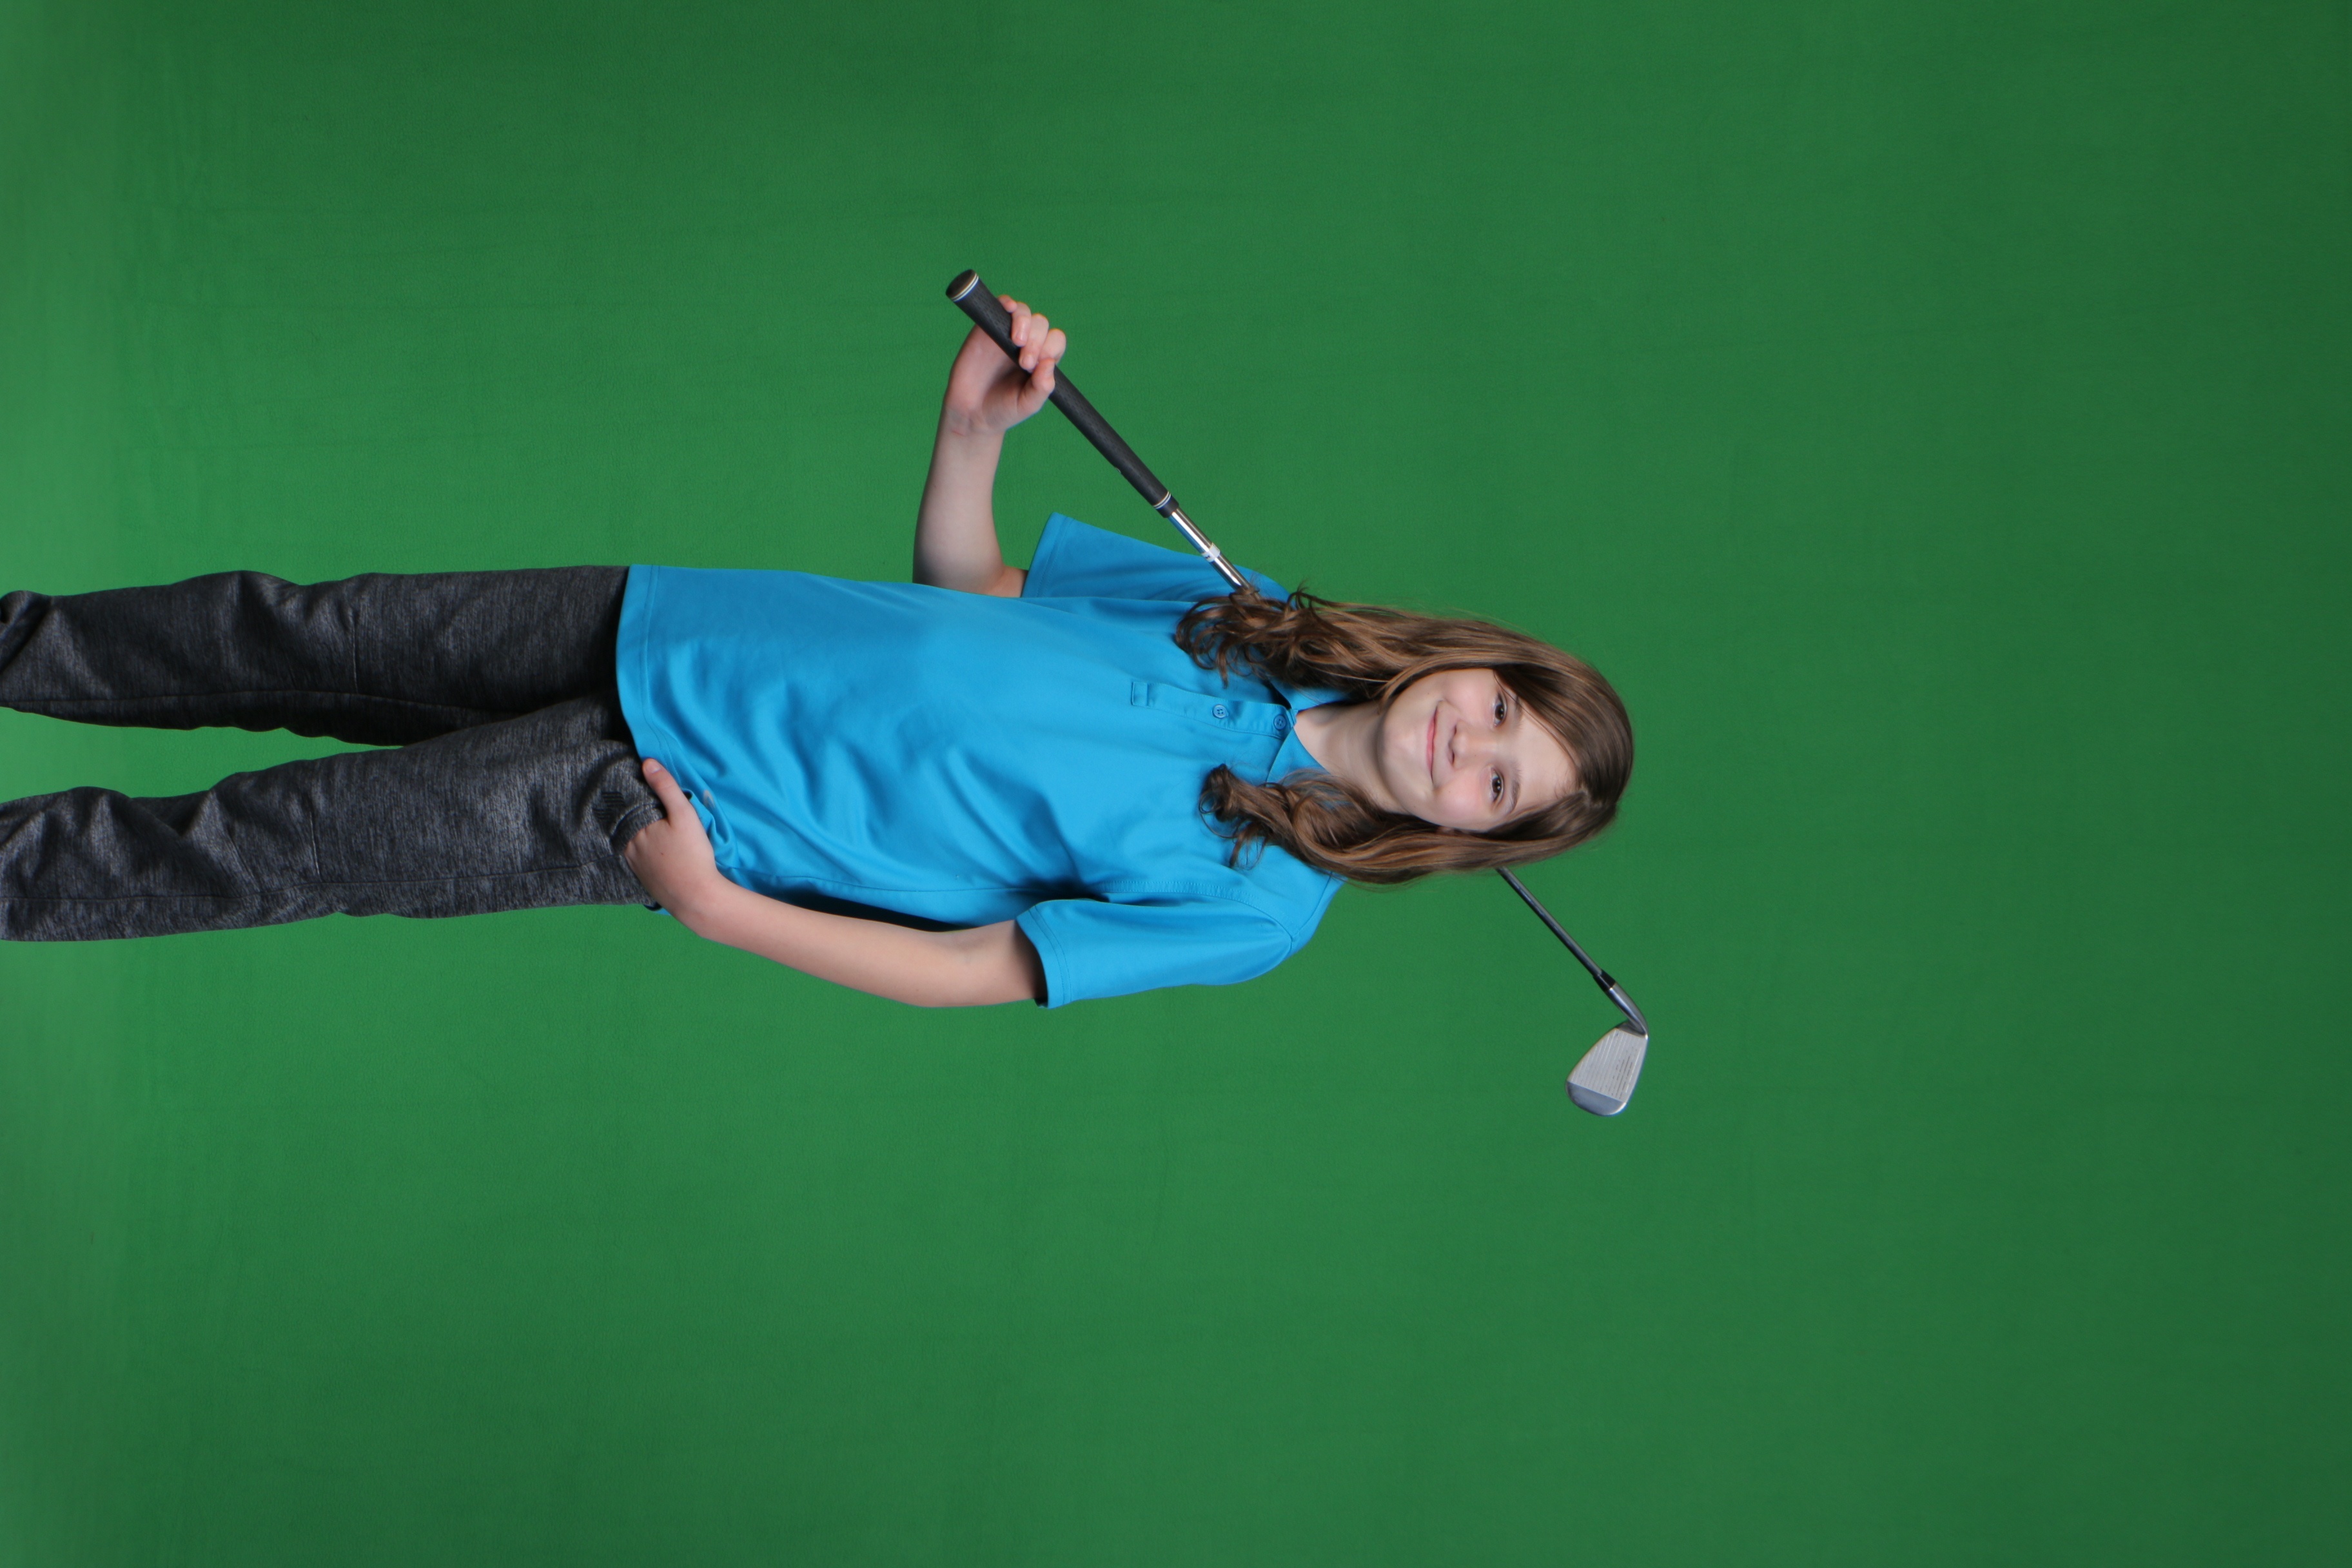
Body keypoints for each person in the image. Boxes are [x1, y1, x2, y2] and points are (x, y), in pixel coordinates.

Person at [0, 299, 1632, 1007]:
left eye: (1500, 783)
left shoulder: (1265, 906)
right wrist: (971, 431)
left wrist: (719, 907)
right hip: (672, 621)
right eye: (1499, 708)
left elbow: (978, 969)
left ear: (1477, 837)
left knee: (263, 841)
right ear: (1470, 661)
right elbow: (973, 591)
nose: (1467, 744)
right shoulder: (1258, 611)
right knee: (285, 628)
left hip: (685, 802)